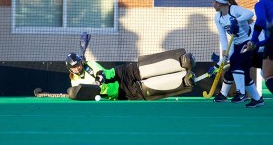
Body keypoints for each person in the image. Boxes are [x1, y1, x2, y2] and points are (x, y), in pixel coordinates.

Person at [65, 49, 196, 101]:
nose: (79, 67)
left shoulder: (91, 65)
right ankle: (184, 81)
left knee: (146, 69)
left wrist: (97, 82)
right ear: (71, 70)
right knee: (148, 89)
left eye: (79, 64)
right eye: (75, 66)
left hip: (121, 73)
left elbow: (101, 74)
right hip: (120, 93)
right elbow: (84, 94)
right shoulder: (75, 84)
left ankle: (182, 61)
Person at [211, 0, 264, 107]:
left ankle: (241, 93)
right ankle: (257, 99)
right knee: (241, 71)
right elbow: (222, 36)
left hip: (251, 40)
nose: (213, 5)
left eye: (214, 2)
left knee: (235, 61)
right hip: (237, 43)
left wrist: (236, 20)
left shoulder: (234, 10)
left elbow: (250, 13)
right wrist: (224, 53)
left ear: (220, 3)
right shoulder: (218, 17)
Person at [245, 0, 273, 99]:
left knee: (268, 75)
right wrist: (258, 44)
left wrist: (253, 41)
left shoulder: (261, 4)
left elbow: (260, 20)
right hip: (270, 41)